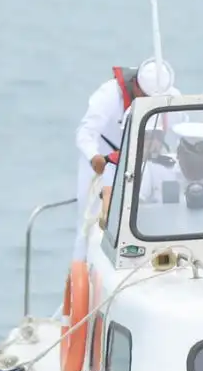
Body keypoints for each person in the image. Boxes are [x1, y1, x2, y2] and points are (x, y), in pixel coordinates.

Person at [74, 58, 178, 241]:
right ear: (137, 87)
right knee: (87, 218)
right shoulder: (109, 94)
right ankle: (81, 257)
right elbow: (85, 133)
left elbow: (182, 129)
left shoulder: (173, 97)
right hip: (105, 158)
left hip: (152, 157)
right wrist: (95, 157)